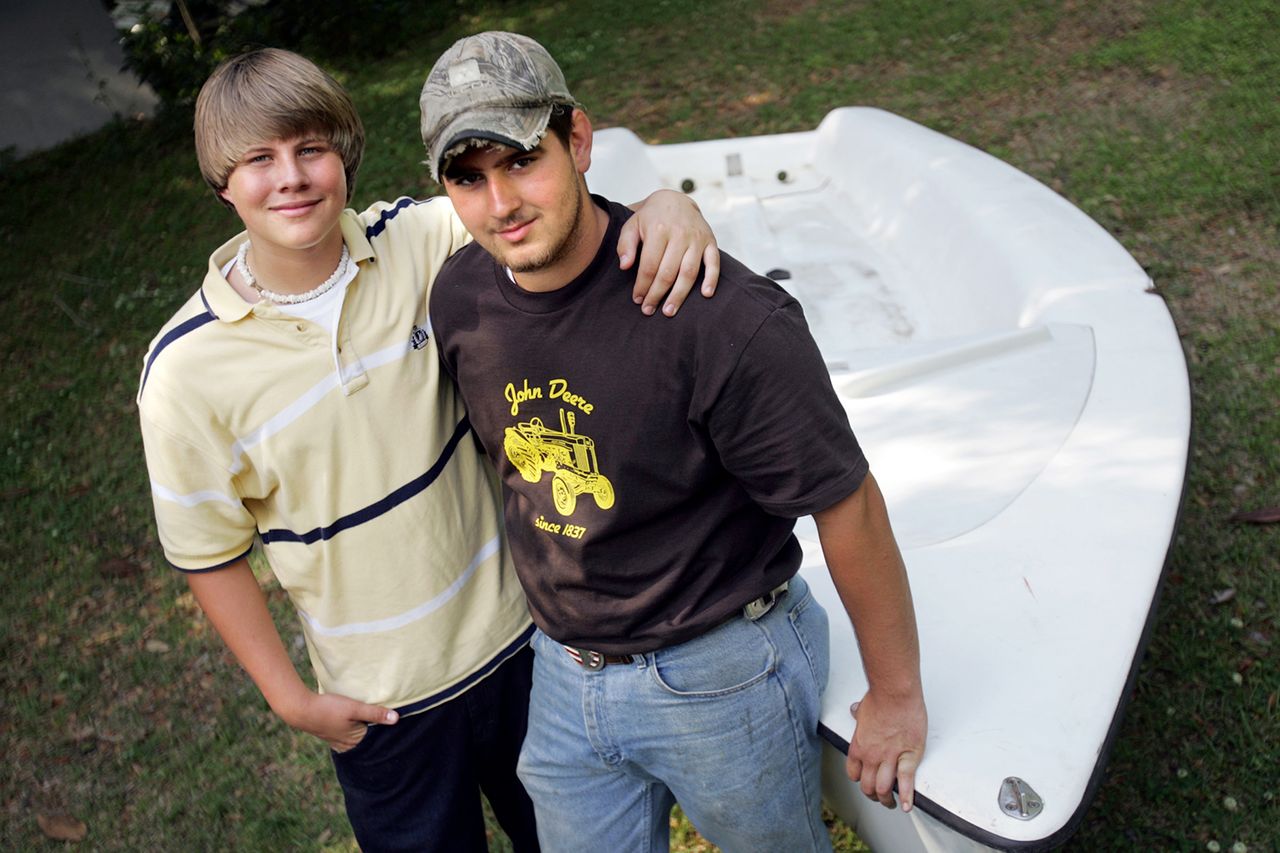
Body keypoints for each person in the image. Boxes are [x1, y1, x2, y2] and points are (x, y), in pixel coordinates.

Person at [136, 47, 721, 853]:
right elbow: (208, 553)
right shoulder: (185, 372)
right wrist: (289, 697)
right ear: (220, 181)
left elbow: (541, 198)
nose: (292, 178)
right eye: (259, 160)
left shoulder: (416, 239)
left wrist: (664, 205)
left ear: (343, 150)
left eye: (310, 148)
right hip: (383, 706)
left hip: (528, 650)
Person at [423, 31, 928, 852]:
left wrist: (898, 692)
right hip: (563, 672)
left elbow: (848, 504)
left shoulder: (716, 315)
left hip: (724, 669)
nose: (502, 202)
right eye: (469, 178)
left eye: (521, 161)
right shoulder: (459, 297)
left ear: (578, 140)